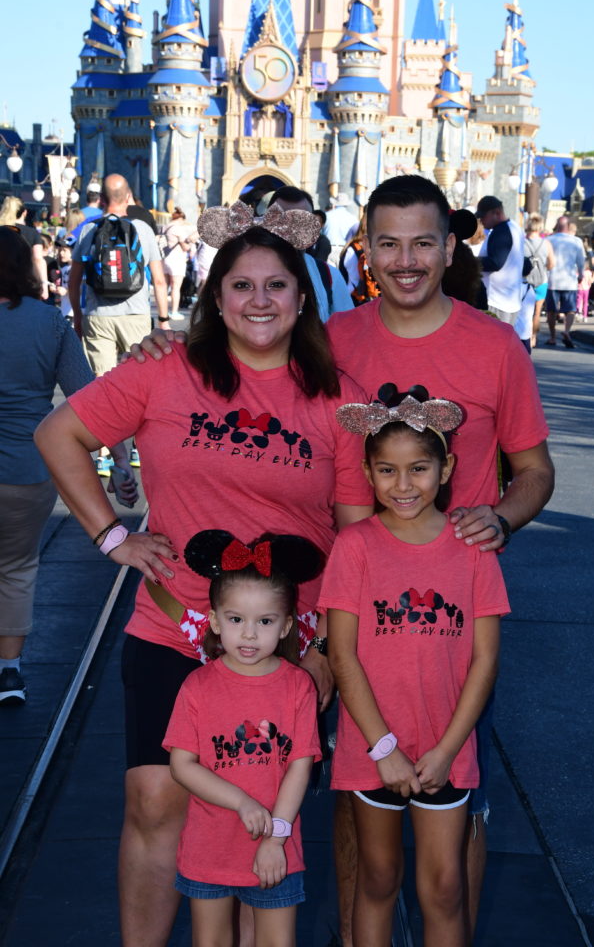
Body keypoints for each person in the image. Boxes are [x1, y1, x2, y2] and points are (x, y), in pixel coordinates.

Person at [127, 174, 554, 946]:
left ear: (450, 246)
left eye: (423, 241)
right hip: (357, 615)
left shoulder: (493, 346)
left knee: (455, 821)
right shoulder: (336, 340)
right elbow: (250, 398)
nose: (406, 259)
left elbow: (535, 471)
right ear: (364, 249)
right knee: (358, 805)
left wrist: (501, 516)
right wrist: (167, 342)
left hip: (451, 618)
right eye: (387, 242)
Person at [34, 205, 372, 947]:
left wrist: (324, 652)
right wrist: (111, 535)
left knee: (257, 813)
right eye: (241, 285)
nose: (259, 300)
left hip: (283, 641)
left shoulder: (336, 398)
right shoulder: (164, 368)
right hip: (173, 622)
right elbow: (61, 433)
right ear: (214, 298)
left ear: (302, 297)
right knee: (155, 798)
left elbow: (353, 539)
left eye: (276, 285)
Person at [322, 390, 509, 946]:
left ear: (446, 467)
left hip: (443, 751)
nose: (403, 486)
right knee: (377, 878)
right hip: (375, 752)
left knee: (445, 885)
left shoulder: (473, 550)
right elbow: (342, 654)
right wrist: (385, 750)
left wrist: (449, 749)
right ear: (367, 473)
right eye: (387, 470)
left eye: (419, 469)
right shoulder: (354, 547)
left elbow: (485, 658)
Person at [164, 528, 322, 947]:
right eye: (236, 620)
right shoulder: (197, 687)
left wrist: (276, 838)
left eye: (264, 622)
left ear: (286, 625)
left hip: (278, 848)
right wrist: (241, 801)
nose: (249, 634)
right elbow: (182, 765)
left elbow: (299, 766)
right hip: (209, 848)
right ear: (215, 620)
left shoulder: (298, 687)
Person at [0, 226, 135, 705]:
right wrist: (121, 461)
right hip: (26, 470)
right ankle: (10, 671)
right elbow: (87, 397)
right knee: (16, 566)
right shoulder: (49, 323)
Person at [69, 174, 169, 474]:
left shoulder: (88, 230)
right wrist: (163, 320)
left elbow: (74, 281)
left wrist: (78, 316)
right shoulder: (142, 229)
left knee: (101, 383)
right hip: (135, 315)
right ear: (129, 198)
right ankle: (139, 449)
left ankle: (103, 455)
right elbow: (159, 280)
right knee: (140, 381)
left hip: (98, 315)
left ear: (101, 200)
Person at [268, 186, 354, 321]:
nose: (292, 230)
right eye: (283, 222)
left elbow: (348, 327)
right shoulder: (242, 272)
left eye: (301, 222)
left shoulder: (328, 276)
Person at [474, 195, 525, 325]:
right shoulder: (514, 227)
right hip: (509, 299)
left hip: (498, 300)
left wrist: (470, 261)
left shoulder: (501, 232)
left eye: (483, 216)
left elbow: (495, 263)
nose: (481, 220)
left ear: (496, 212)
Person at [546, 216, 585, 348]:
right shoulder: (576, 241)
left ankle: (552, 336)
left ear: (557, 225)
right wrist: (581, 274)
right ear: (568, 226)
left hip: (552, 279)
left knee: (551, 310)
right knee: (570, 310)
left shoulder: (549, 240)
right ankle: (567, 331)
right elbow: (581, 260)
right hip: (569, 280)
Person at [0, 195, 48, 297]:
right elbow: (38, 259)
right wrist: (44, 285)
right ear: (24, 212)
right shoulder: (32, 233)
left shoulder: (1, 230)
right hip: (24, 283)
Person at [521, 213, 555, 349]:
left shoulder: (522, 242)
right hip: (541, 281)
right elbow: (552, 263)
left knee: (525, 312)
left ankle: (526, 336)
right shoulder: (546, 243)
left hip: (525, 281)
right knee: (537, 312)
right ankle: (534, 337)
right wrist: (544, 268)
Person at [161, 207, 197, 321]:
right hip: (176, 260)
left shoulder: (164, 227)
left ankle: (164, 311)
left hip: (164, 259)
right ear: (181, 219)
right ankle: (174, 312)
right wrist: (192, 242)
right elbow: (185, 247)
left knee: (164, 287)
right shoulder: (177, 229)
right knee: (176, 287)